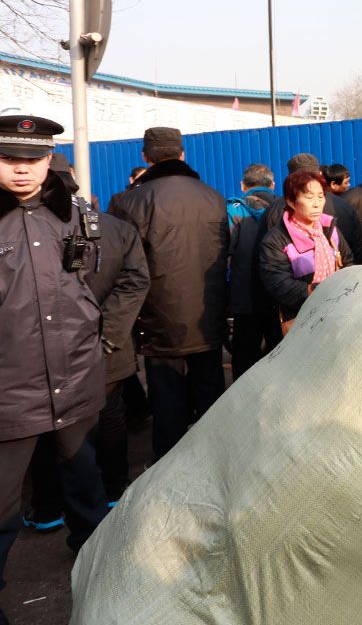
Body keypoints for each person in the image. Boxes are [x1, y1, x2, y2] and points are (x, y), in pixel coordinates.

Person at [0, 116, 110, 608]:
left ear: (48, 160)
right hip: (10, 388)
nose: (21, 169)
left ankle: (99, 566)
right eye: (9, 159)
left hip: (74, 377)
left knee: (86, 483)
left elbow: (86, 283)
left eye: (32, 159)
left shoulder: (74, 213)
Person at [24, 157, 152, 528]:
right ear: (74, 179)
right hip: (107, 346)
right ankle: (112, 489)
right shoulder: (113, 226)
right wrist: (107, 334)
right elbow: (136, 281)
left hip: (47, 348)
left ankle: (49, 507)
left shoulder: (28, 226)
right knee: (107, 416)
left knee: (46, 426)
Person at [115, 127, 230, 460]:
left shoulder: (131, 201)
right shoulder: (212, 196)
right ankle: (215, 460)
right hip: (207, 313)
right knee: (210, 392)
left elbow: (123, 264)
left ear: (145, 157)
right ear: (182, 154)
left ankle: (169, 467)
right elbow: (224, 251)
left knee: (166, 398)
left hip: (158, 317)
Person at [259, 170, 355, 326]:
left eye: (320, 196)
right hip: (300, 319)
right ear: (291, 202)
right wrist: (315, 290)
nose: (317, 204)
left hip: (336, 312)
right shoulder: (276, 239)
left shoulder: (329, 229)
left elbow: (348, 262)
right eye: (309, 198)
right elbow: (279, 283)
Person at [226, 164, 278, 380]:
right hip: (279, 294)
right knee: (279, 352)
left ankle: (244, 397)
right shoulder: (284, 207)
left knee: (244, 356)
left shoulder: (233, 209)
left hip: (244, 296)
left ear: (243, 185)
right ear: (272, 184)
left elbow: (223, 252)